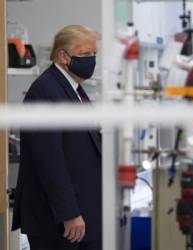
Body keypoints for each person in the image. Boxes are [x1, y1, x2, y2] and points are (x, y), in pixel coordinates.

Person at [12, 25, 102, 250]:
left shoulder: (74, 89)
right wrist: (69, 213)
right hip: (58, 223)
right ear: (63, 56)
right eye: (85, 55)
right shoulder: (45, 91)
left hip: (82, 215)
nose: (91, 60)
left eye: (94, 55)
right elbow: (50, 161)